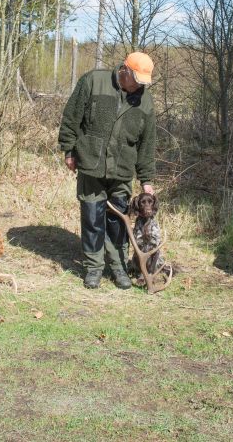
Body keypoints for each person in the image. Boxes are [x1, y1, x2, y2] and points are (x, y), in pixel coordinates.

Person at [58, 52, 156, 289]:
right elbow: (72, 117)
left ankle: (119, 267)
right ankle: (93, 267)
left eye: (145, 82)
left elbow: (147, 144)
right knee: (92, 218)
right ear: (125, 70)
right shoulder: (93, 81)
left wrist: (147, 180)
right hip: (91, 163)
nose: (140, 86)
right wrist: (69, 150)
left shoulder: (146, 101)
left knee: (118, 222)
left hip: (122, 170)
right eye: (137, 80)